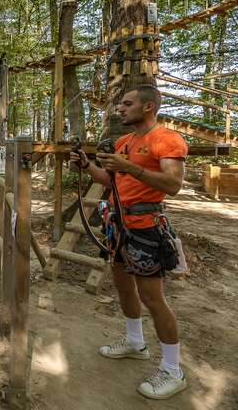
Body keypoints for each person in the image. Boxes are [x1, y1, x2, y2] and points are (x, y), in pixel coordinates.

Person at [70, 84, 188, 400]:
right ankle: (136, 343)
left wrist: (128, 167)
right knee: (123, 285)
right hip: (120, 225)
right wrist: (87, 165)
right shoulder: (125, 141)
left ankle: (172, 370)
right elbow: (110, 180)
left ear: (148, 107)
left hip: (147, 227)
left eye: (127, 103)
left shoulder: (167, 139)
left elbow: (174, 184)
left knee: (153, 297)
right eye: (120, 104)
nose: (120, 109)